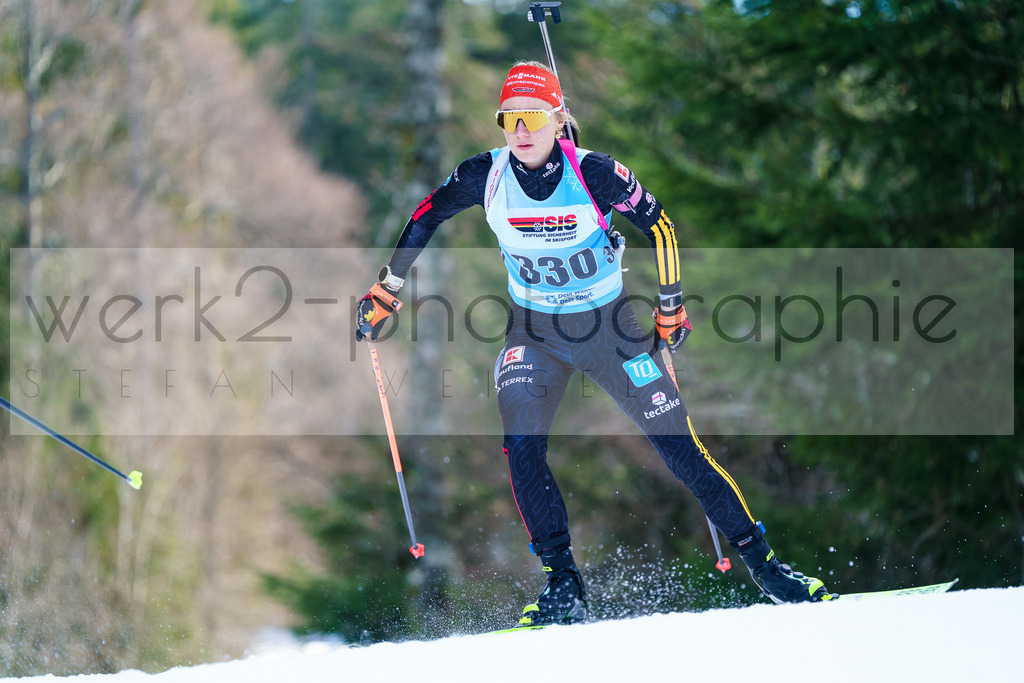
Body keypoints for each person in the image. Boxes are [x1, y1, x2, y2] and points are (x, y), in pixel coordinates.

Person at [356, 61, 834, 627]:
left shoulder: (595, 173)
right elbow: (426, 214)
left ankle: (769, 571)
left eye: (533, 116)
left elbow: (660, 226)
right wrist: (389, 286)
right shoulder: (485, 175)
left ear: (558, 120)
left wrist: (671, 304)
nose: (521, 130)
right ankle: (564, 587)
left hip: (607, 329)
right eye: (509, 118)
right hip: (533, 332)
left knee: (679, 446)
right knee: (523, 446)